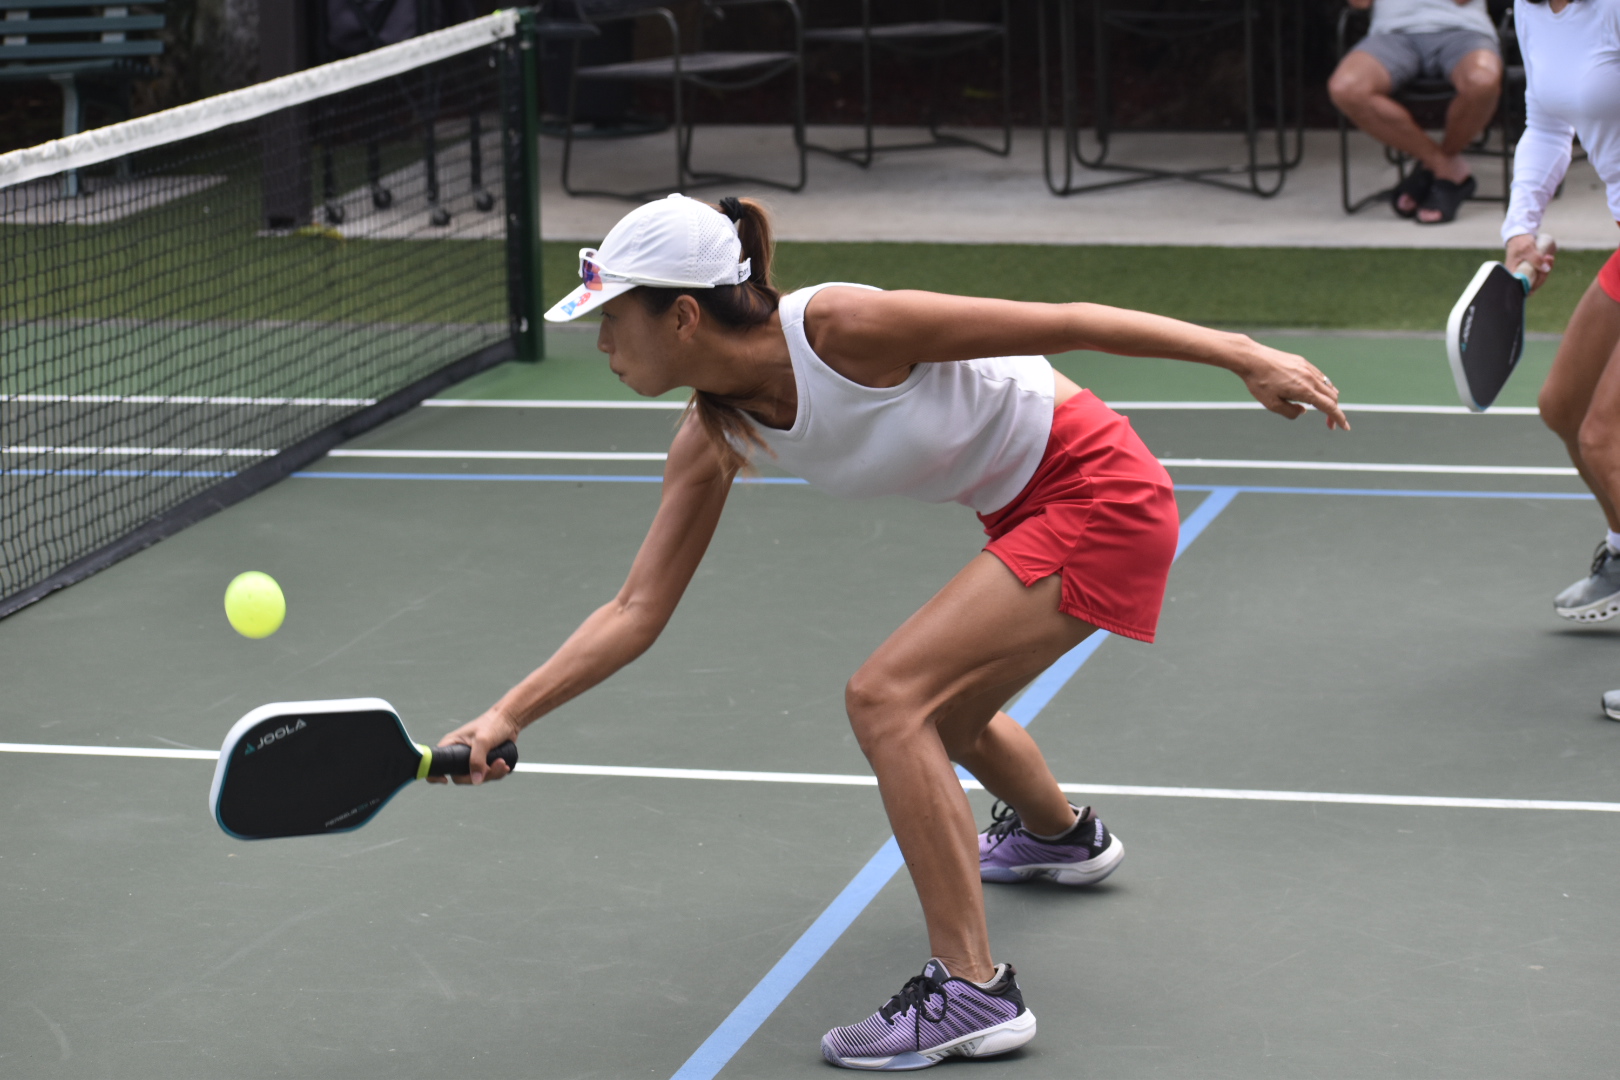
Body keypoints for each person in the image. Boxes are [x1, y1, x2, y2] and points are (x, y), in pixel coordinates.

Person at [432, 193, 1349, 1069]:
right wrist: (507, 714)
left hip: (1097, 490)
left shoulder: (841, 329)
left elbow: (1067, 320)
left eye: (610, 319)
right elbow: (637, 609)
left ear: (681, 316)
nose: (599, 342)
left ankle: (974, 991)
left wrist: (1243, 355)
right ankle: (1061, 839)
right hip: (1025, 506)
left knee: (887, 698)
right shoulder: (715, 426)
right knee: (945, 714)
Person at [1500, 0, 1620, 719]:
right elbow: (1547, 124)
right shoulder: (1531, 10)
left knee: (1607, 438)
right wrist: (1521, 227)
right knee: (1566, 408)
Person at [1328, 0, 1504, 224]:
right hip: (1391, 33)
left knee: (1482, 82)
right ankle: (1445, 169)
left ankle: (1432, 169)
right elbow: (1359, 4)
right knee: (1346, 88)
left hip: (1464, 30)